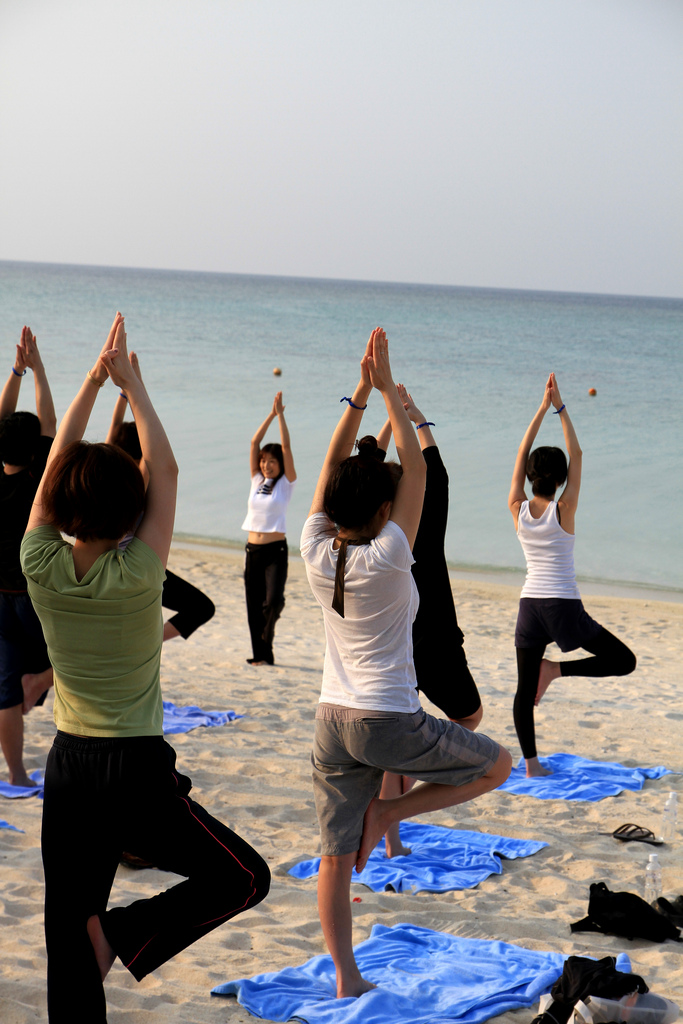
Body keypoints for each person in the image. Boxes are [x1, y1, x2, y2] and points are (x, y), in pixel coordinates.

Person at [21, 314, 270, 1023]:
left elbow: (54, 464)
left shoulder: (37, 563)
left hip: (69, 764)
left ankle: (98, 941)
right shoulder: (137, 574)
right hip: (132, 768)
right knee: (244, 876)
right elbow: (166, 469)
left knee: (66, 927)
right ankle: (121, 935)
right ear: (130, 511)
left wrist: (96, 386)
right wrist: (134, 385)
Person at [301, 328, 511, 998]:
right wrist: (390, 387)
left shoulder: (313, 545)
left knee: (335, 858)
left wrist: (359, 395)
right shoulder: (391, 553)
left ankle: (344, 978)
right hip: (385, 718)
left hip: (330, 718)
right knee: (496, 765)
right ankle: (390, 817)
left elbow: (334, 463)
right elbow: (416, 470)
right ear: (384, 511)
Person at [508, 373, 636, 779]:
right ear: (561, 479)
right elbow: (577, 453)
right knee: (624, 660)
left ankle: (531, 766)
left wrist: (540, 411)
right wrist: (561, 407)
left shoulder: (518, 508)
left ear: (530, 476)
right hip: (562, 606)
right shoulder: (565, 510)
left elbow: (521, 453)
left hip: (530, 607)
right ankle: (557, 670)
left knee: (523, 690)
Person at [374, 384, 483, 855]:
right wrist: (412, 416)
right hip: (435, 638)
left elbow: (362, 469)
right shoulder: (427, 520)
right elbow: (437, 471)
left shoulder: (378, 533)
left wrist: (388, 414)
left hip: (395, 640)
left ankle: (392, 840)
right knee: (470, 716)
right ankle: (408, 772)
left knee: (396, 747)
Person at [106, 352, 215, 642]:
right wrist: (134, 385)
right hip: (134, 569)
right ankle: (151, 639)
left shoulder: (101, 476)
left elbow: (113, 430)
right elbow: (149, 448)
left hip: (105, 563)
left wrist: (128, 386)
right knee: (202, 607)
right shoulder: (135, 484)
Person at [0, 326, 55, 786]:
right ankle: (39, 682)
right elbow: (53, 425)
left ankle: (16, 774)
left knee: (3, 693)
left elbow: (2, 418)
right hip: (34, 594)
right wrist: (39, 371)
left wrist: (16, 369)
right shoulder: (39, 480)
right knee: (68, 661)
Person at [242, 391, 296, 665]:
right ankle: (260, 655)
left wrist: (282, 417)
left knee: (273, 601)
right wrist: (270, 414)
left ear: (281, 465)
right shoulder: (256, 480)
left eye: (272, 462)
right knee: (254, 605)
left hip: (276, 550)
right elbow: (254, 442)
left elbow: (286, 448)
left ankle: (268, 641)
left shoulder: (286, 484)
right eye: (264, 461)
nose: (266, 465)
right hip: (252, 550)